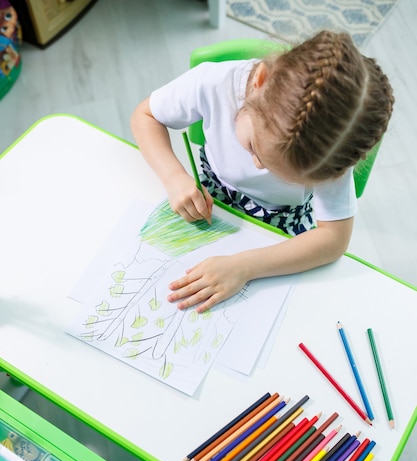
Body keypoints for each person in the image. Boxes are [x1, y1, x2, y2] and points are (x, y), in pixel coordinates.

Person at [130, 30, 394, 313]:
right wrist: (174, 177)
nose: (257, 165)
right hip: (211, 194)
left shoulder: (327, 150)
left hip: (281, 221)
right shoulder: (213, 83)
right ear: (260, 82)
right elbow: (145, 116)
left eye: (283, 174)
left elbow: (333, 239)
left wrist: (244, 266)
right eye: (253, 146)